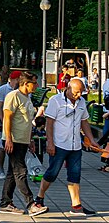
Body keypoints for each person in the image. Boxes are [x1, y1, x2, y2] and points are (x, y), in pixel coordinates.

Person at [31, 77, 101, 216]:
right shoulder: (56, 101)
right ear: (68, 88)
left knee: (75, 175)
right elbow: (49, 123)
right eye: (76, 92)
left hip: (75, 146)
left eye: (81, 92)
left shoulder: (81, 102)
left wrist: (91, 139)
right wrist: (50, 143)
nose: (79, 95)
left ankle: (76, 206)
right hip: (59, 144)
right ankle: (39, 198)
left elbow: (84, 122)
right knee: (52, 173)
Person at [0, 71, 39, 215]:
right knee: (20, 171)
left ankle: (5, 202)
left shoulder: (28, 97)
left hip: (23, 139)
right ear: (25, 83)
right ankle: (31, 204)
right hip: (13, 139)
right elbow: (7, 118)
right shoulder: (13, 96)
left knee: (12, 173)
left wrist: (30, 139)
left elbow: (27, 121)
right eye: (34, 83)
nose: (37, 85)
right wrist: (8, 138)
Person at [0, 71, 21, 180]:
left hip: (18, 124)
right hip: (4, 122)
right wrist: (3, 121)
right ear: (13, 79)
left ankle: (15, 169)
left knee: (16, 147)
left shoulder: (23, 90)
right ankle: (1, 168)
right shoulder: (3, 90)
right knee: (2, 147)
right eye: (18, 79)